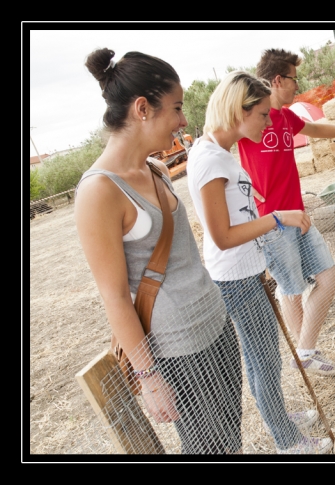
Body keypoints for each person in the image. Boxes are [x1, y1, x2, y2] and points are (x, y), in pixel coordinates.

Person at [76, 48, 243, 454]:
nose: (184, 120)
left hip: (215, 325)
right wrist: (148, 375)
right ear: (142, 108)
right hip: (178, 349)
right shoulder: (99, 192)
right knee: (208, 449)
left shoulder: (154, 168)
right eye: (176, 108)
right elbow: (114, 295)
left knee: (230, 440)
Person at [186, 70, 332, 454]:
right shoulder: (210, 160)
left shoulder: (218, 154)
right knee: (264, 360)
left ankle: (279, 418)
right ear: (240, 110)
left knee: (265, 356)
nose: (269, 122)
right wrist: (278, 217)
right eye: (263, 114)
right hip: (234, 279)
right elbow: (222, 236)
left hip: (247, 271)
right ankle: (286, 440)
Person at [238, 48, 335, 376]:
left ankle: (304, 352)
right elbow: (219, 140)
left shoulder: (287, 117)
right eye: (293, 80)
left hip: (299, 215)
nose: (296, 87)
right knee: (290, 290)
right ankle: (306, 355)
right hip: (272, 222)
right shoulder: (248, 117)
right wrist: (240, 184)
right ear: (277, 79)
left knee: (330, 275)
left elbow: (316, 130)